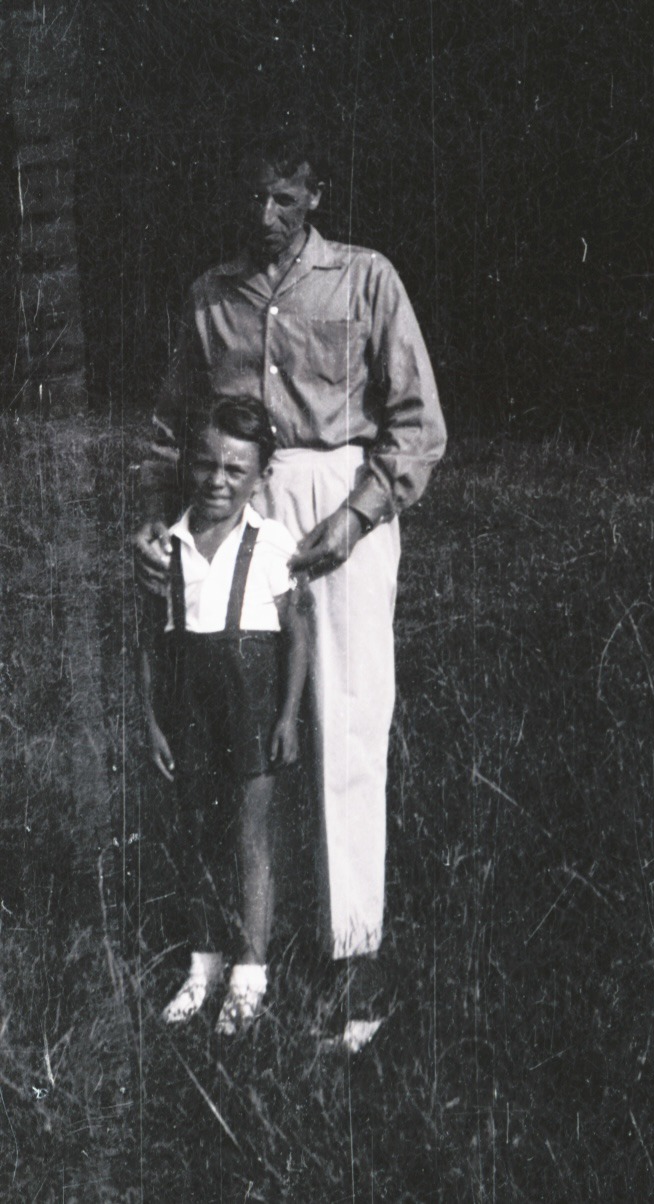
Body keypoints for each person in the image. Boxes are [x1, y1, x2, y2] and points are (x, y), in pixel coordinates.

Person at [133, 132, 447, 1051]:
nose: (264, 217)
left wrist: (352, 521)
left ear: (316, 192)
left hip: (336, 508)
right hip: (235, 506)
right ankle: (245, 952)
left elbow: (418, 427)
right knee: (239, 731)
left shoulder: (365, 279)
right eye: (252, 199)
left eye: (283, 198)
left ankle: (353, 968)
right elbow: (170, 428)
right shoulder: (211, 296)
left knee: (344, 722)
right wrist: (156, 519)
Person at [139, 395, 310, 1034]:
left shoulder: (270, 544)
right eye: (206, 464)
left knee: (249, 837)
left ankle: (250, 973)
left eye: (235, 470)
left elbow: (298, 634)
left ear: (261, 477)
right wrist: (151, 721)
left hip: (253, 703)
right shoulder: (169, 544)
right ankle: (202, 966)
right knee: (196, 836)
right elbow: (151, 642)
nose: (217, 480)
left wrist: (289, 715)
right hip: (188, 707)